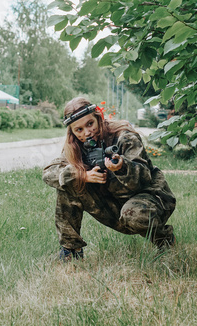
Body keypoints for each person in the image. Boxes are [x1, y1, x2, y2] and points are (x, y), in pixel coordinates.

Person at [42, 97, 176, 261]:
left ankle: (164, 240)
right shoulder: (75, 146)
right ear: (72, 132)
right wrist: (82, 175)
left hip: (148, 199)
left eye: (90, 124)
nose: (86, 132)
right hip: (113, 205)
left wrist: (122, 167)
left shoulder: (123, 136)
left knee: (133, 215)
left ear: (98, 118)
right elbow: (49, 173)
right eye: (79, 130)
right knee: (68, 183)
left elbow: (144, 177)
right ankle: (71, 251)